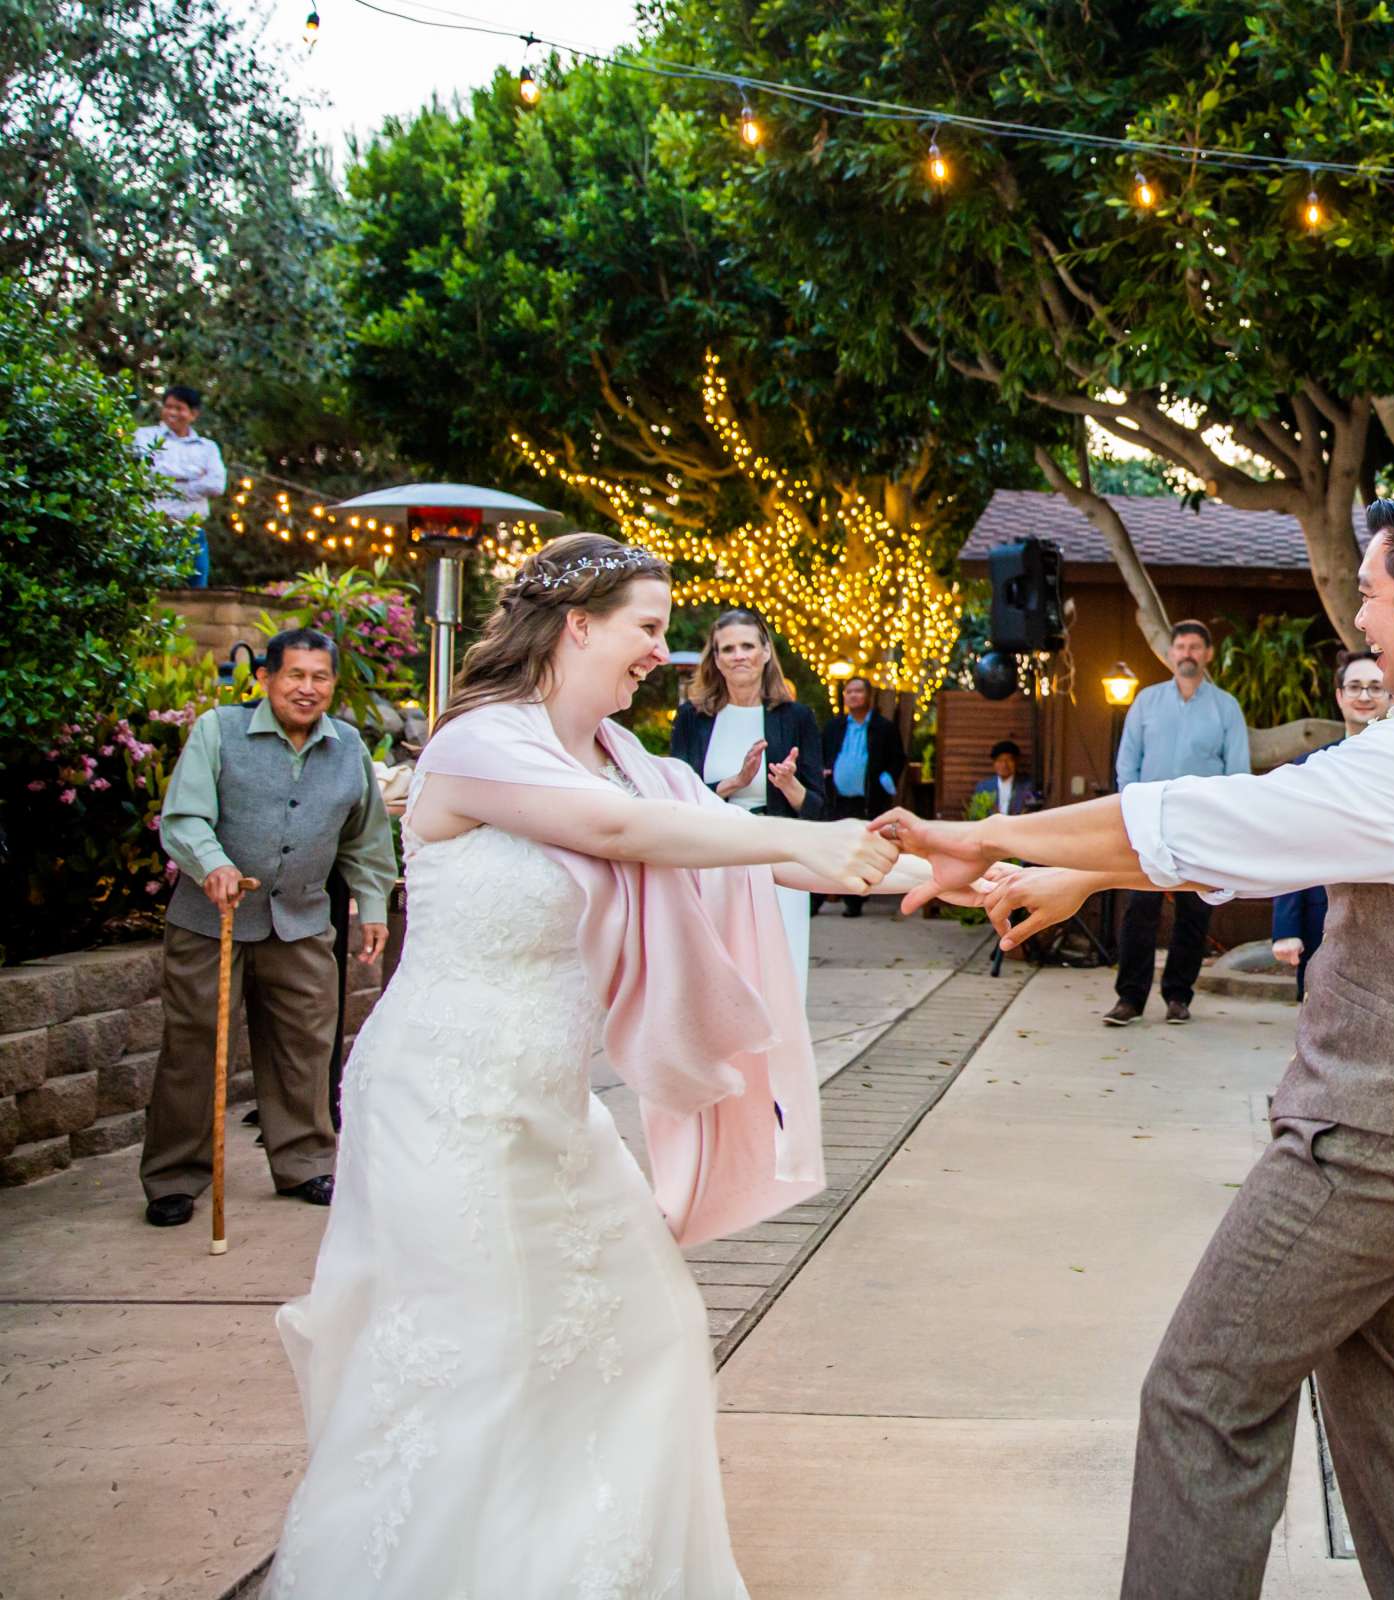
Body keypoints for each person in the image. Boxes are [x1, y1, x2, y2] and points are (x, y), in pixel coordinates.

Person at [880, 486, 1394, 1600]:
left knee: (1203, 1396)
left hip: (1384, 1134)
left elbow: (1225, 816)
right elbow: (1272, 837)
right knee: (1379, 1398)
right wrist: (1078, 874)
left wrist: (985, 833)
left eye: (1372, 599)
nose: (1360, 625)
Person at [264, 533, 956, 1594]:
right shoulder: (478, 744)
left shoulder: (630, 759)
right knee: (485, 1357)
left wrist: (921, 864)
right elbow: (619, 833)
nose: (663, 651)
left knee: (653, 1327)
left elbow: (710, 831)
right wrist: (803, 844)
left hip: (551, 1108)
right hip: (444, 1102)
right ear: (576, 624)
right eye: (647, 627)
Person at [143, 628, 397, 1226]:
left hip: (303, 922)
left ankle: (306, 1163)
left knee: (306, 1048)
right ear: (266, 679)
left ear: (333, 685)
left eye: (320, 678)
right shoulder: (219, 730)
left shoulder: (351, 747)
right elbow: (183, 816)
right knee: (194, 1047)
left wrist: (374, 907)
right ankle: (174, 1177)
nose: (307, 689)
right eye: (295, 676)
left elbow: (365, 839)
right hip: (212, 921)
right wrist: (214, 864)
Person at [671, 609, 826, 1001]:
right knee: (718, 973)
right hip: (714, 859)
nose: (738, 655)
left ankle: (778, 1060)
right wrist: (734, 783)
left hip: (779, 859)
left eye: (746, 646)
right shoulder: (693, 717)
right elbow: (675, 797)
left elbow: (819, 809)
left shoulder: (796, 717)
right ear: (716, 659)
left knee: (780, 972)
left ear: (765, 653)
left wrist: (789, 785)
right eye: (728, 649)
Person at [1107, 620, 1249, 1026]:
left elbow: (1237, 770)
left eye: (1194, 647)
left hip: (1199, 825)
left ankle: (1177, 997)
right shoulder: (1146, 703)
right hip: (1148, 820)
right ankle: (1129, 999)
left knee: (1194, 910)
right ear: (1170, 654)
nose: (1187, 653)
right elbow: (1126, 763)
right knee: (1139, 909)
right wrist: (1131, 810)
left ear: (1207, 654)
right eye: (1180, 646)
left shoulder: (1226, 708)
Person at [1269, 649, 1389, 999]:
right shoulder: (1313, 767)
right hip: (1321, 920)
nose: (1364, 696)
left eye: (1375, 687)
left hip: (1392, 924)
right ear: (1339, 696)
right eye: (1354, 686)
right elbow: (1291, 846)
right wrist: (1286, 927)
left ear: (1390, 694)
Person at [819, 674, 906, 917]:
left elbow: (898, 757)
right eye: (849, 691)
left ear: (868, 696)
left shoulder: (883, 727)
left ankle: (854, 902)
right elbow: (822, 751)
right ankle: (815, 900)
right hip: (837, 799)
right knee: (830, 847)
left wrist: (886, 778)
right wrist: (825, 769)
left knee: (859, 850)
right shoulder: (834, 726)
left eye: (858, 691)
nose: (854, 695)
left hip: (868, 801)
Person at [133, 384, 226, 586]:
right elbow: (150, 472)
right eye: (168, 406)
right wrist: (194, 475)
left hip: (191, 531)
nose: (172, 412)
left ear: (193, 414)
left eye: (179, 408)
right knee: (147, 588)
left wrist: (179, 485)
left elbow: (217, 484)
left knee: (195, 591)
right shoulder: (145, 437)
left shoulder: (207, 448)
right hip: (154, 527)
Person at [970, 739, 1038, 815]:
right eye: (999, 760)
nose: (1004, 765)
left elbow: (1035, 813)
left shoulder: (1029, 785)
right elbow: (975, 815)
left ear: (1016, 761)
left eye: (1009, 760)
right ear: (994, 763)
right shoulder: (983, 787)